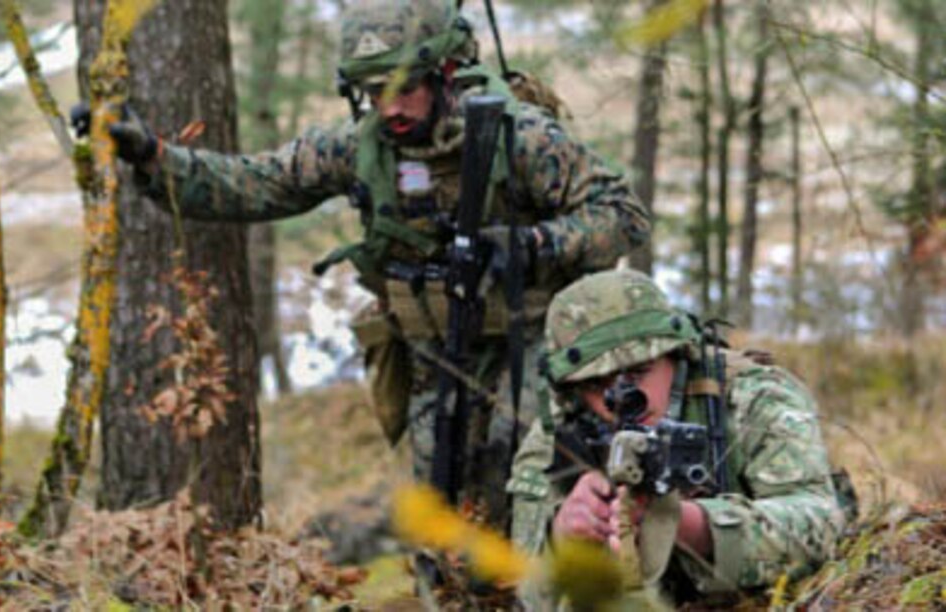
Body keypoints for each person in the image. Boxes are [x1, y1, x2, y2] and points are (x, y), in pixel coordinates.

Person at [76, 0, 650, 534]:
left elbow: (623, 216)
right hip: (433, 357)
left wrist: (533, 244)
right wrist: (150, 154)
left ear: (443, 73)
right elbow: (256, 185)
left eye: (405, 89)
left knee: (525, 493)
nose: (391, 108)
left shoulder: (515, 134)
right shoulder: (359, 147)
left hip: (529, 348)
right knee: (439, 513)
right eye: (374, 91)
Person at [509, 269, 848, 608]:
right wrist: (561, 536)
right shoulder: (557, 432)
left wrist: (690, 526)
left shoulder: (752, 397)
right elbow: (526, 589)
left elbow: (821, 524)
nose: (622, 398)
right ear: (573, 391)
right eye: (597, 384)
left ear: (677, 354)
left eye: (639, 373)